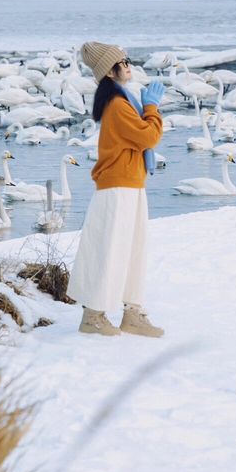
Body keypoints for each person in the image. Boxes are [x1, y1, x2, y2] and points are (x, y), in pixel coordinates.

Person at [67, 41, 165, 337]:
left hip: (131, 183)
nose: (128, 65)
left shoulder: (123, 100)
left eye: (127, 59)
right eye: (123, 62)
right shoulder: (119, 105)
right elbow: (148, 137)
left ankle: (132, 312)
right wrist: (152, 107)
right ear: (110, 72)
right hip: (118, 186)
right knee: (110, 248)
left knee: (133, 248)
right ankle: (93, 316)